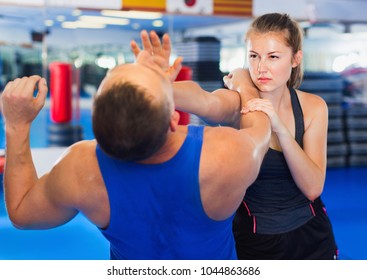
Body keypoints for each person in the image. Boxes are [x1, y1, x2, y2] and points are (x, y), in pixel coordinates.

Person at [1, 44, 271, 259]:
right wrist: (245, 86)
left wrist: (16, 124)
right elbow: (261, 128)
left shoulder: (81, 169)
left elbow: (22, 211)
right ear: (174, 120)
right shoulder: (228, 154)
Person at [132, 13, 338, 260]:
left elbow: (313, 187)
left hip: (313, 236)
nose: (261, 67)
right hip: (256, 241)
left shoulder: (313, 107)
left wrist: (280, 129)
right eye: (254, 56)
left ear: (295, 59)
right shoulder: (237, 102)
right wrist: (160, 85)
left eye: (273, 57)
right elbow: (204, 100)